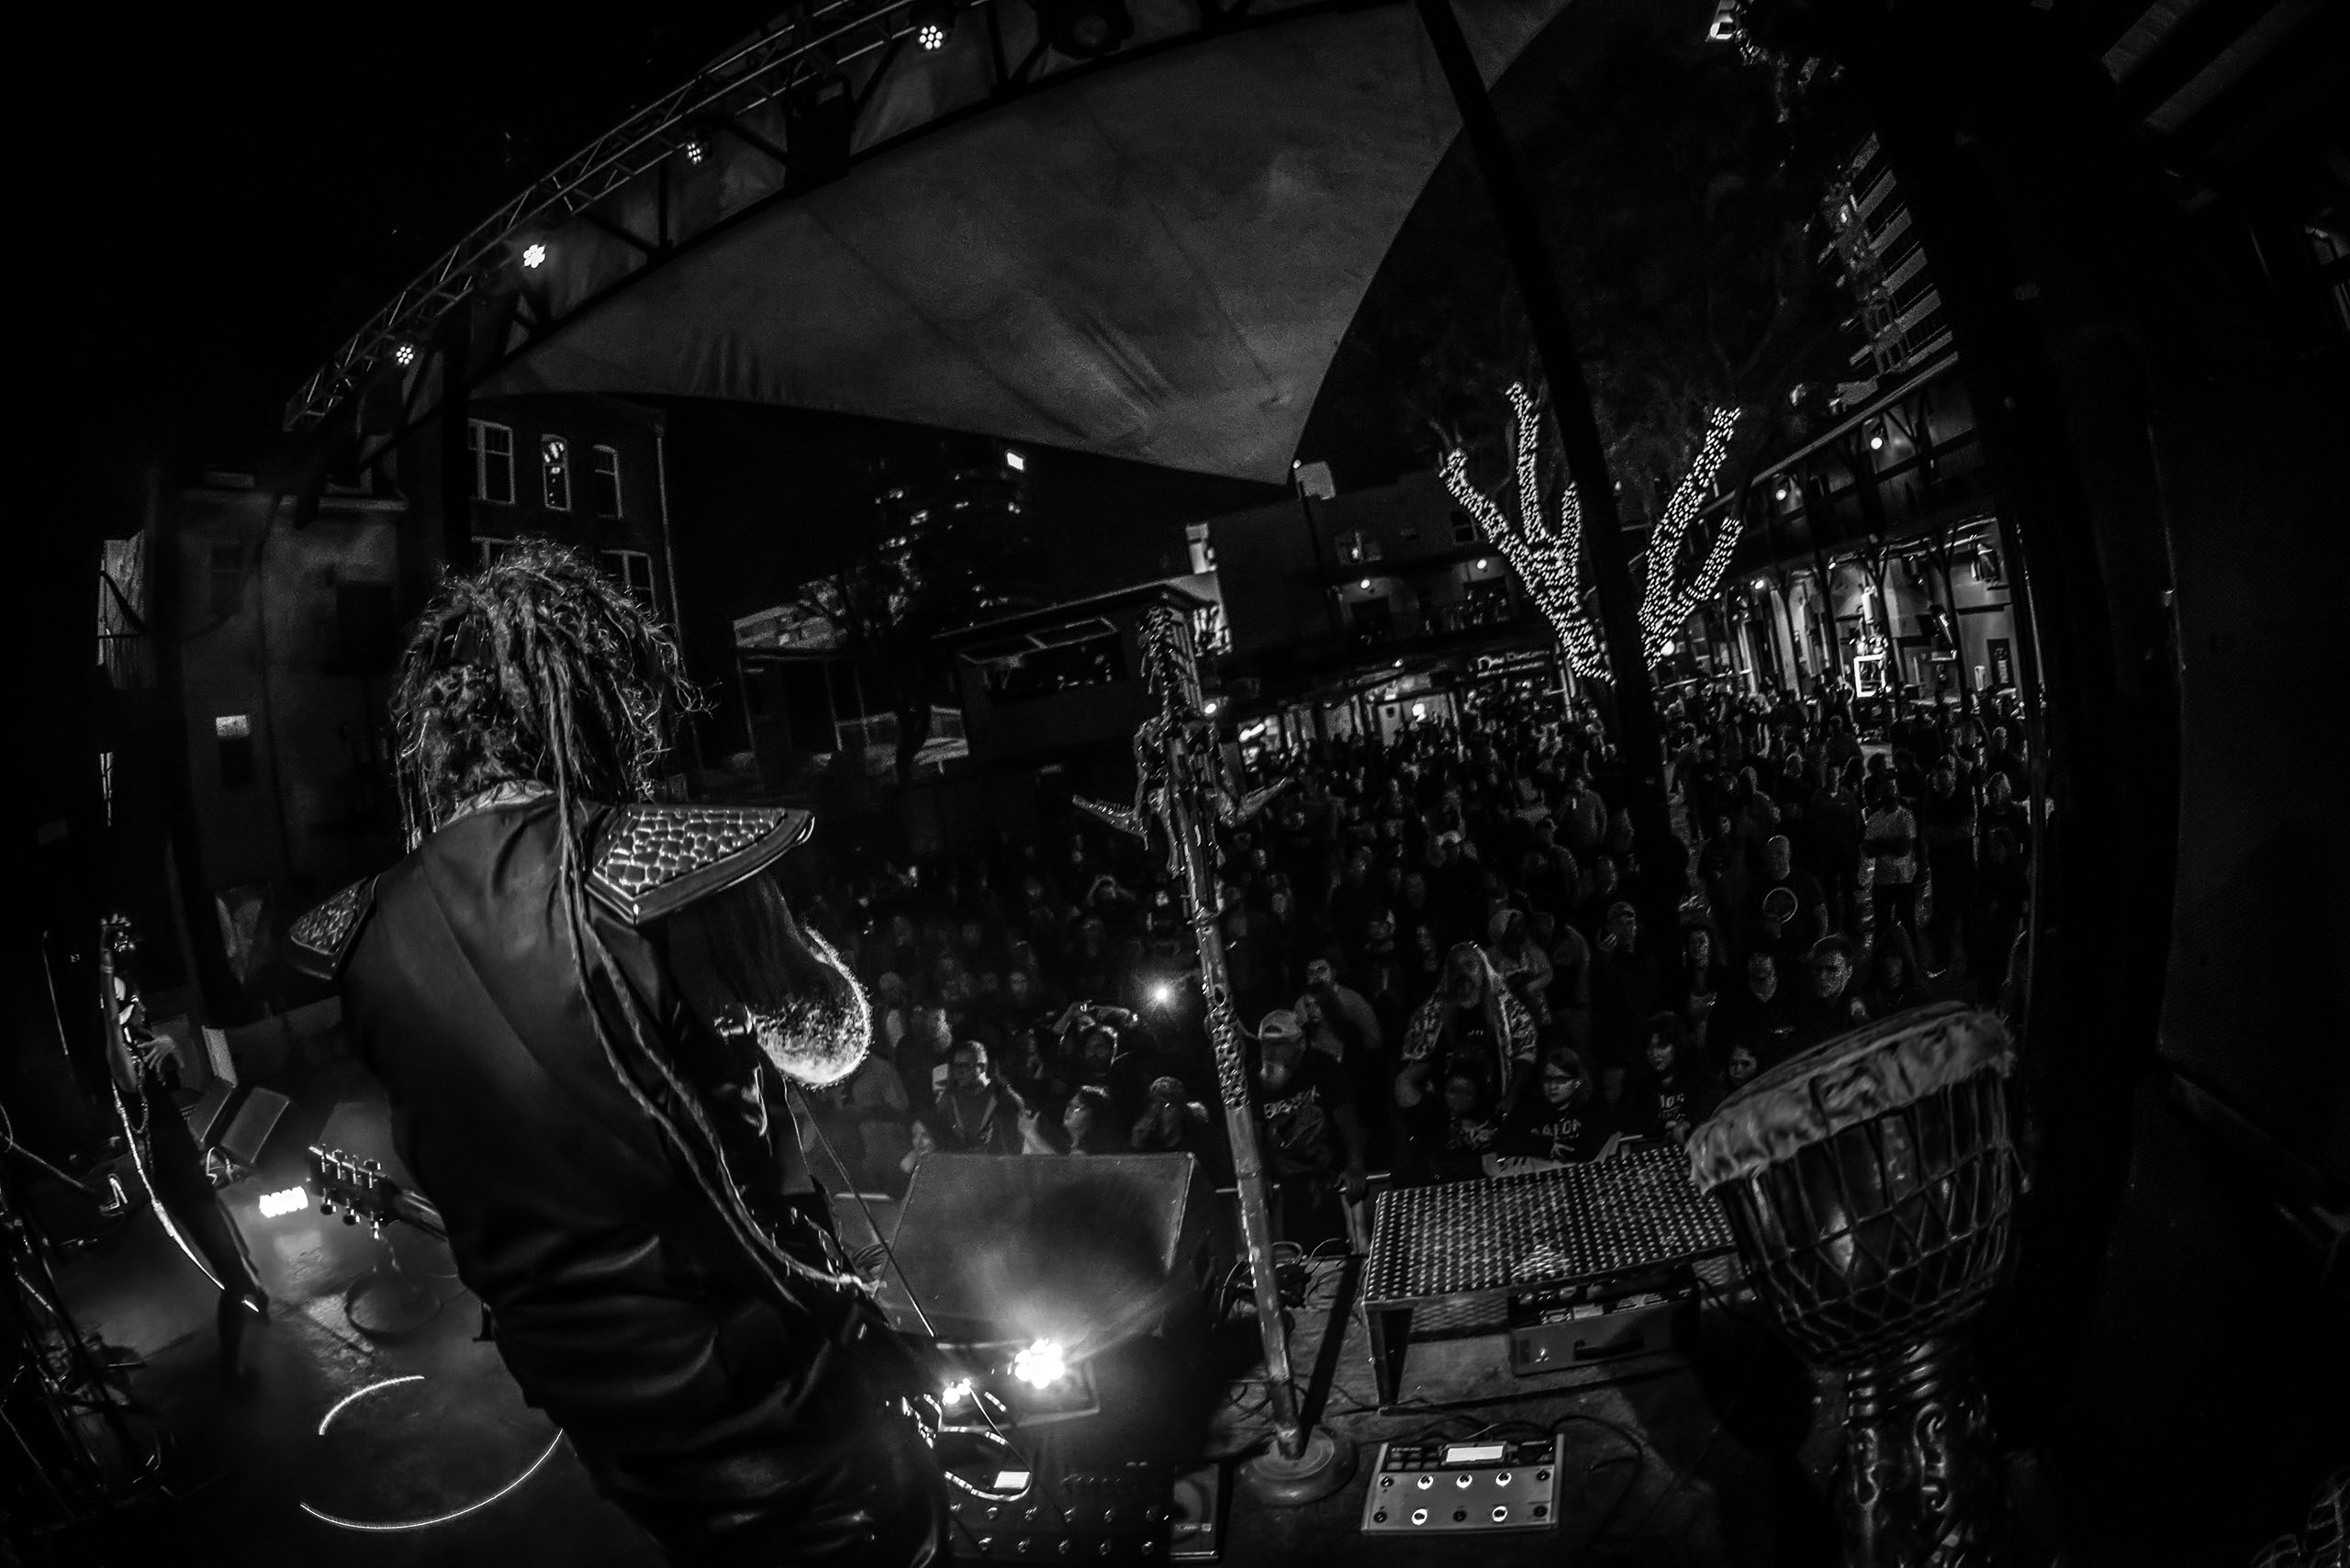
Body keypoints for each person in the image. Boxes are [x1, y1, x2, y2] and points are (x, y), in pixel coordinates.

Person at [289, 543, 941, 1564]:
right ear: (589, 702)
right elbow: (832, 1044)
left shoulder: (364, 935)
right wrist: (771, 942)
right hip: (772, 1392)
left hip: (602, 1421)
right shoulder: (659, 866)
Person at [1252, 1011, 1370, 1245]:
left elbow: (1346, 1117)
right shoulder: (1257, 1078)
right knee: (1296, 1249)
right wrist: (1260, 1176)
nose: (1269, 1052)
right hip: (1288, 1185)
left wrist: (1355, 1165)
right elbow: (1255, 1131)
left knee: (1334, 1246)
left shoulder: (1321, 1066)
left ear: (1299, 1043)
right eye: (1265, 1044)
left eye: (1278, 1044)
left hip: (1329, 1176)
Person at [1398, 943, 1539, 1115]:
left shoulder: (1508, 1009)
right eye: (1455, 967)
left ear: (1483, 971)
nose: (1462, 972)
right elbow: (1414, 1057)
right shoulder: (1431, 1013)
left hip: (1493, 1105)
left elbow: (1526, 1053)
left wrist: (1511, 1098)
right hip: (1444, 1107)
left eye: (1469, 965)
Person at [1490, 1047, 1616, 1172]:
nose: (1553, 1086)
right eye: (1548, 1079)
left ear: (1577, 1082)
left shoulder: (1592, 1108)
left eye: (1561, 1080)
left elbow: (1590, 1150)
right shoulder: (1529, 1108)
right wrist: (1545, 1146)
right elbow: (1502, 1142)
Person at [934, 1041, 1027, 1156]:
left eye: (965, 1065)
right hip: (960, 1164)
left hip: (995, 1164)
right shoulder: (950, 1100)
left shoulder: (1005, 1099)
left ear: (982, 1067)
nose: (959, 1072)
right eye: (956, 1066)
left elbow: (1014, 1148)